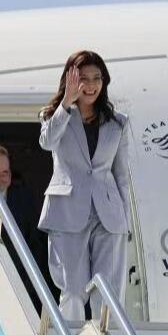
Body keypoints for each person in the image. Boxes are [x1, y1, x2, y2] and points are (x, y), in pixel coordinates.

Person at [38, 50, 132, 320]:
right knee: (73, 290)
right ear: (70, 80)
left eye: (96, 78)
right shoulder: (53, 115)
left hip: (108, 215)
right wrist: (66, 104)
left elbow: (121, 175)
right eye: (83, 79)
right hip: (67, 212)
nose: (90, 85)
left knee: (108, 293)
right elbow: (47, 142)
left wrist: (125, 220)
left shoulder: (118, 122)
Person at [0, 144, 52, 312]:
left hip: (20, 289)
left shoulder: (23, 198)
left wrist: (27, 287)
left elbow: (36, 245)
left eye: (4, 173)